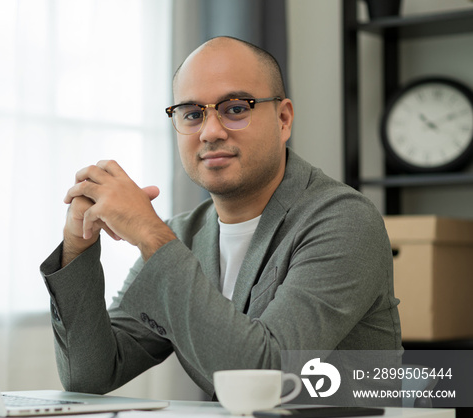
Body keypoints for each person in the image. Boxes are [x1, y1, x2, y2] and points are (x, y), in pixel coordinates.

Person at [40, 36, 402, 398]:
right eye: (193, 114)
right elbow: (91, 375)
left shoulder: (345, 220)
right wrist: (78, 248)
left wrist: (149, 233)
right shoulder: (182, 234)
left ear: (283, 119)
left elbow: (265, 377)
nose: (210, 132)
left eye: (235, 108)